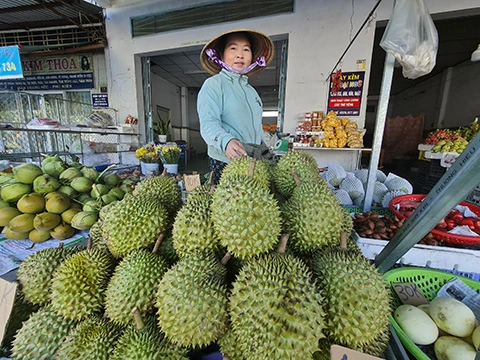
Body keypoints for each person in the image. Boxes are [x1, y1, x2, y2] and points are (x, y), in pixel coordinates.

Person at [197, 28, 275, 184]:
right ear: (221, 54)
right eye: (233, 48)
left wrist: (264, 149)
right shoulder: (213, 85)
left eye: (246, 49)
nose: (240, 54)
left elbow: (256, 129)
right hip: (226, 161)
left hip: (253, 161)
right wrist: (226, 141)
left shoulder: (252, 92)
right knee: (231, 206)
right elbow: (208, 123)